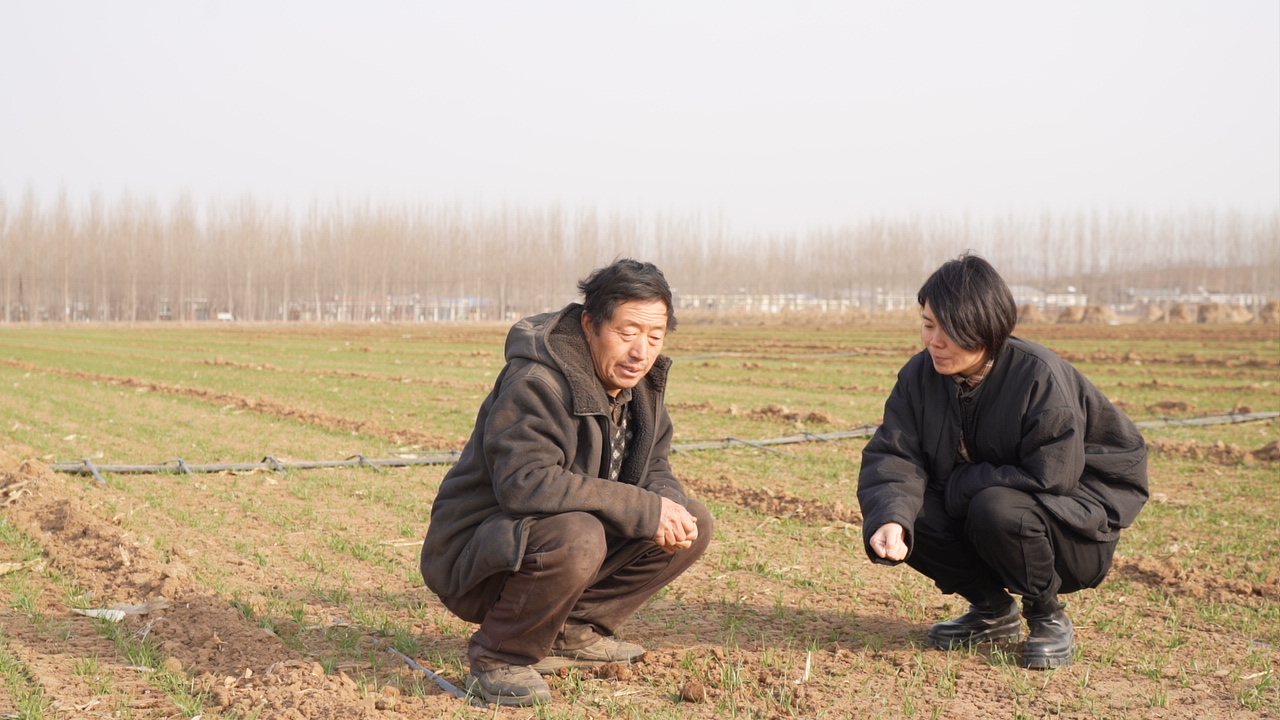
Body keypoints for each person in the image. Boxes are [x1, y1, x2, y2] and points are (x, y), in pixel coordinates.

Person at [420, 259, 713, 706]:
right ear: (590, 324)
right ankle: (499, 655)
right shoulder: (537, 383)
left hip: (552, 540)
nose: (641, 351)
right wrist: (643, 509)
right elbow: (525, 483)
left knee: (693, 521)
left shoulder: (639, 387)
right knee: (580, 534)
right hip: (478, 555)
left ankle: (571, 632)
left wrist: (666, 505)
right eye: (628, 332)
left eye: (655, 337)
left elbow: (654, 464)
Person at [857, 253, 1148, 669]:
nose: (933, 341)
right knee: (906, 511)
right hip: (987, 513)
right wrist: (891, 517)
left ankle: (1048, 616)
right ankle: (992, 610)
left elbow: (1053, 477)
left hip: (1076, 530)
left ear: (986, 329)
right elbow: (894, 453)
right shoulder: (919, 377)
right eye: (928, 324)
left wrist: (962, 484)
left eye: (949, 330)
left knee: (995, 506)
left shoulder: (1038, 376)